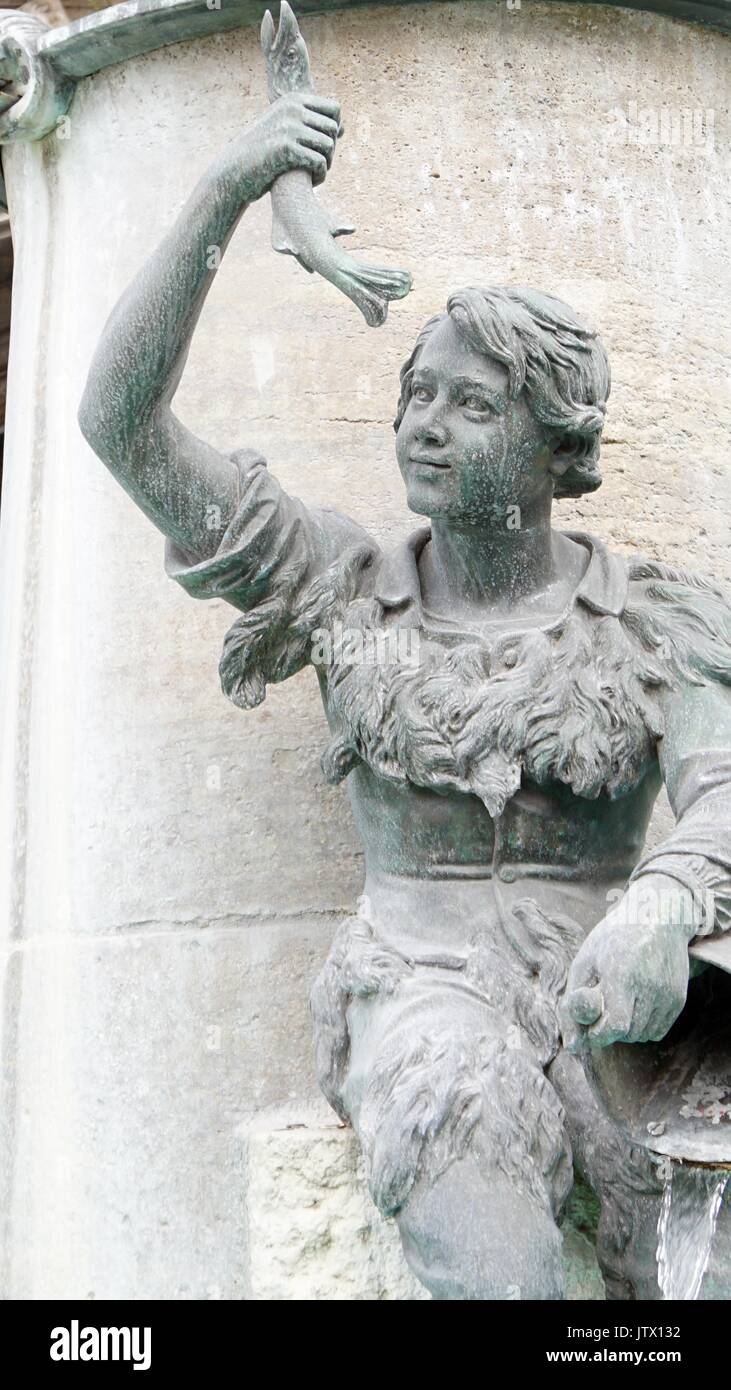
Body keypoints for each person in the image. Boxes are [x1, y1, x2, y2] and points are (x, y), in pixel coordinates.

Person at [79, 89, 731, 1300]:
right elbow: (120, 427)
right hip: (418, 996)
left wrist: (663, 900)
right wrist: (224, 192)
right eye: (415, 393)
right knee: (468, 1161)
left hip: (615, 991)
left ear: (557, 451)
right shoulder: (335, 583)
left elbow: (725, 787)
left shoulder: (652, 620)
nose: (426, 424)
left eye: (472, 405)